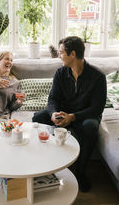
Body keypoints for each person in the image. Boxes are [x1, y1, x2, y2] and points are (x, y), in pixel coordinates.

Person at [32, 36, 106, 192]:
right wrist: (53, 114)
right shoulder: (60, 73)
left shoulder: (98, 77)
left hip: (84, 115)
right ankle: (46, 164)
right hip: (63, 113)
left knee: (91, 127)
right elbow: (53, 98)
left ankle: (80, 172)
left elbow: (97, 108)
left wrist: (73, 117)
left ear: (72, 54)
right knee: (38, 117)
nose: (59, 56)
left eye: (61, 53)